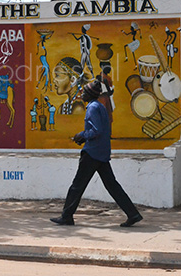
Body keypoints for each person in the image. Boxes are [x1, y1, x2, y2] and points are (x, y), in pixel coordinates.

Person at [50, 80, 143, 227]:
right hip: (101, 151)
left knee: (77, 185)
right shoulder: (100, 106)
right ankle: (133, 214)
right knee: (112, 185)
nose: (82, 94)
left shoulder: (92, 108)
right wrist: (84, 137)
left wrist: (81, 135)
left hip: (92, 153)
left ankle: (67, 216)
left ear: (90, 94)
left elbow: (96, 130)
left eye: (84, 92)